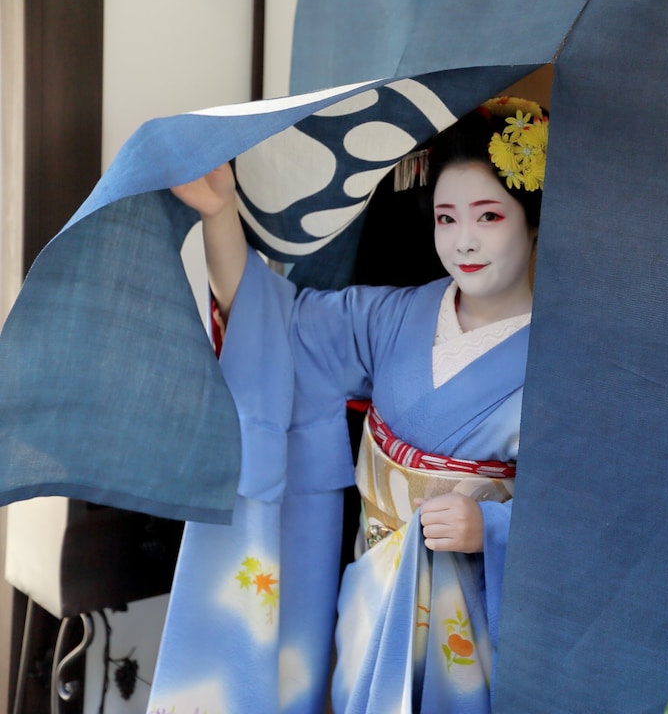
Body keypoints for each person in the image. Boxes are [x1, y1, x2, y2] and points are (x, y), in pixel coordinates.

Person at [147, 97, 547, 714]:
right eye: (446, 218)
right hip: (371, 598)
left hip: (477, 629)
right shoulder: (393, 319)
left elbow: (593, 518)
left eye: (489, 216)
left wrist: (492, 529)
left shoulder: (565, 364)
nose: (464, 240)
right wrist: (219, 213)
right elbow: (273, 323)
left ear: (532, 221)